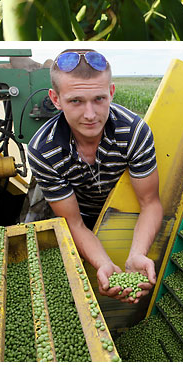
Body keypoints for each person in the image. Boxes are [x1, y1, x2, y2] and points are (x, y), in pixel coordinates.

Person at [27, 49, 163, 301]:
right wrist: (102, 262)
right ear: (56, 99)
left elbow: (150, 203)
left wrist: (137, 254)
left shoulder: (134, 132)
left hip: (122, 211)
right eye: (76, 101)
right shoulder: (43, 150)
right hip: (77, 213)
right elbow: (74, 223)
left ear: (111, 93)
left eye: (99, 99)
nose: (90, 115)